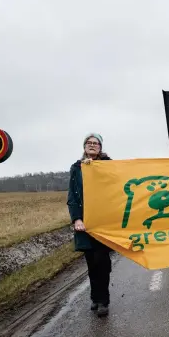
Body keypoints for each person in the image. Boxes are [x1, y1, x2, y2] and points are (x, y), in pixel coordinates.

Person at [67, 133, 113, 317]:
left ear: (100, 148)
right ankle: (95, 297)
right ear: (84, 146)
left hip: (104, 222)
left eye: (96, 143)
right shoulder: (76, 168)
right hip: (85, 224)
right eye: (89, 143)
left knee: (102, 261)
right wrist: (77, 219)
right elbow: (72, 196)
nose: (92, 145)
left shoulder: (109, 165)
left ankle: (103, 301)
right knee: (91, 263)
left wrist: (96, 168)